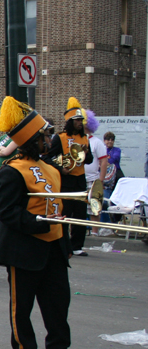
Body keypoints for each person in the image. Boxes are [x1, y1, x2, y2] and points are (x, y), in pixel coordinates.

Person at [0, 96, 87, 349]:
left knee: (58, 302)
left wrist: (64, 241)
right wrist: (41, 222)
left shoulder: (51, 168)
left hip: (54, 246)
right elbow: (8, 213)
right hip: (24, 248)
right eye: (44, 136)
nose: (49, 140)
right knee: (21, 307)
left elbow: (58, 205)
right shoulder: (11, 172)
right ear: (31, 140)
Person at [45, 97, 94, 256]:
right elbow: (48, 158)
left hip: (79, 180)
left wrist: (85, 154)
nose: (80, 123)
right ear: (70, 122)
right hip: (65, 180)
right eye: (77, 120)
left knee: (80, 215)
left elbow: (90, 160)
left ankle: (77, 246)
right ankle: (63, 244)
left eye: (81, 120)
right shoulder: (60, 137)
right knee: (65, 214)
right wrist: (61, 169)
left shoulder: (85, 138)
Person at [82, 111, 108, 236]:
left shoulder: (97, 142)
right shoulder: (77, 140)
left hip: (93, 179)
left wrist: (101, 180)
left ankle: (95, 232)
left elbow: (104, 161)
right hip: (79, 178)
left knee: (94, 208)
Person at [101, 132, 122, 225]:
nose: (110, 141)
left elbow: (114, 159)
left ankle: (116, 218)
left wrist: (104, 162)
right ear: (104, 140)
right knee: (105, 199)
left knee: (116, 198)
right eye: (108, 139)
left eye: (112, 139)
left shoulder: (117, 150)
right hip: (104, 175)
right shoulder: (102, 149)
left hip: (116, 174)